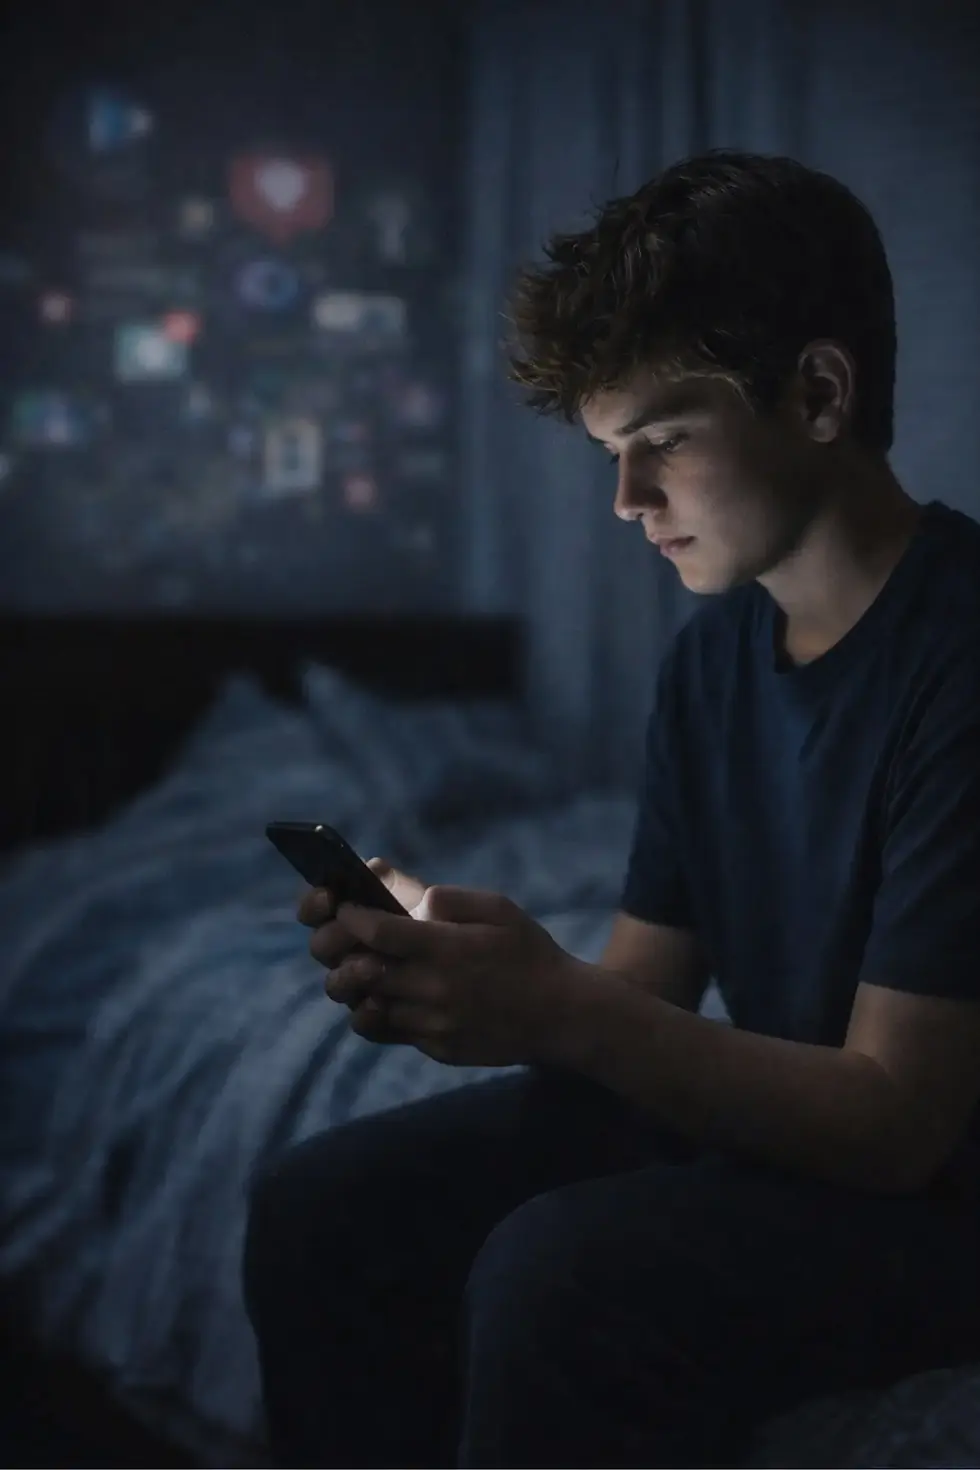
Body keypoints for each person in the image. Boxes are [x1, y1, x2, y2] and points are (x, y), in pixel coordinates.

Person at [242, 150, 980, 1469]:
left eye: (663, 444)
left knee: (559, 1275)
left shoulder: (962, 651)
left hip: (944, 1193)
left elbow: (898, 1119)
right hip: (817, 1142)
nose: (628, 503)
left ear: (817, 393)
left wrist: (560, 1009)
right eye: (608, 454)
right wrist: (485, 975)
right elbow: (644, 993)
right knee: (323, 1207)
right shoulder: (711, 659)